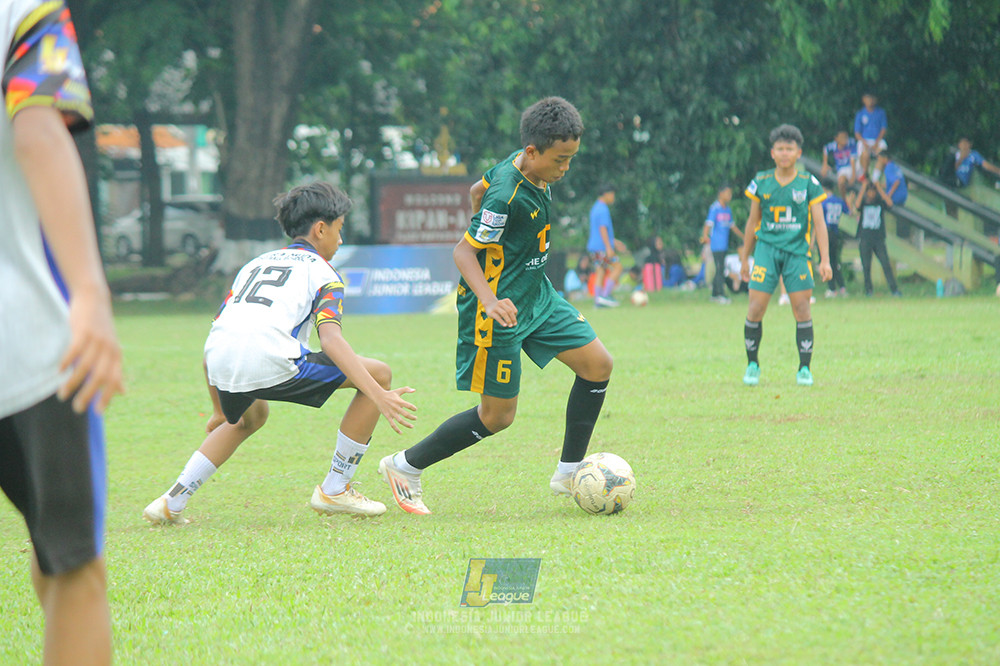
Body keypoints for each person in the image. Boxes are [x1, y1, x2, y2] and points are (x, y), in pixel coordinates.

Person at [377, 96, 612, 515]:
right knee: (497, 416)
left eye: (571, 159)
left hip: (536, 295)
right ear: (532, 152)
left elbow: (475, 190)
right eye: (560, 160)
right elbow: (463, 252)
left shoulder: (524, 168)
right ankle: (405, 465)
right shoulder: (507, 195)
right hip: (496, 312)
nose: (565, 168)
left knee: (598, 365)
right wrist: (489, 298)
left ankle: (568, 472)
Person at [143, 182, 417, 525]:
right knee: (379, 373)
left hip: (219, 361)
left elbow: (219, 335)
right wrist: (378, 394)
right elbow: (331, 340)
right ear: (321, 229)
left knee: (248, 418)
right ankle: (335, 489)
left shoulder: (254, 265)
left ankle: (172, 501)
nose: (340, 240)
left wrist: (218, 410)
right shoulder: (324, 272)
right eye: (339, 229)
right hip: (270, 361)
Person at [1, 3, 126, 664]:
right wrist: (89, 292)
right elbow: (38, 132)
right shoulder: (25, 9)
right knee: (72, 566)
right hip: (24, 338)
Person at [739, 124, 832, 387]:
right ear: (772, 153)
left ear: (798, 153)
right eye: (780, 149)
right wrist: (745, 258)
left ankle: (804, 369)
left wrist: (825, 260)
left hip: (797, 253)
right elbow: (752, 222)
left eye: (789, 149)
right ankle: (753, 365)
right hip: (766, 250)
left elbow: (820, 223)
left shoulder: (808, 183)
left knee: (802, 308)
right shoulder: (762, 181)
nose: (784, 153)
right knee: (755, 308)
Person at [850, 180, 901, 298]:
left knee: (885, 263)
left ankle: (894, 289)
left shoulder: (879, 202)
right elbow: (857, 206)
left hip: (878, 238)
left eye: (873, 191)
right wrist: (863, 188)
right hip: (865, 238)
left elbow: (890, 203)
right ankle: (868, 290)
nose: (871, 194)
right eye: (870, 191)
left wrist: (879, 189)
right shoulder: (864, 202)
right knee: (866, 266)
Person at [702, 184, 745, 304]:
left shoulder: (727, 209)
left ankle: (715, 294)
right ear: (721, 194)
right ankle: (720, 294)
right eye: (728, 193)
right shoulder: (715, 208)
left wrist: (744, 237)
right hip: (716, 244)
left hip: (724, 244)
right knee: (720, 268)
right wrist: (705, 236)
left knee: (720, 269)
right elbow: (708, 224)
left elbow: (732, 226)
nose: (730, 196)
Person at [587, 184, 624, 307]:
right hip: (602, 247)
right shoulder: (603, 209)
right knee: (618, 267)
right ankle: (605, 296)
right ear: (606, 194)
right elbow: (602, 229)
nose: (613, 197)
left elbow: (598, 231)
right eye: (612, 194)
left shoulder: (595, 207)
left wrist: (614, 242)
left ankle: (597, 301)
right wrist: (608, 247)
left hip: (594, 246)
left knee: (600, 271)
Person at [821, 185, 849, 297]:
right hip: (836, 233)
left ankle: (832, 288)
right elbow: (848, 212)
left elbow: (820, 221)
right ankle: (842, 287)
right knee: (835, 261)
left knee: (826, 260)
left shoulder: (824, 202)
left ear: (824, 189)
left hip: (826, 233)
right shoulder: (839, 201)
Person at [854, 92, 888, 180]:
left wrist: (877, 142)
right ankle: (865, 175)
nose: (870, 101)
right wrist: (864, 142)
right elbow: (857, 133)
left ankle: (875, 179)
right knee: (864, 154)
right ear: (864, 100)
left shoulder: (881, 113)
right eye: (868, 98)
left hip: (878, 140)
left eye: (872, 98)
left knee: (882, 154)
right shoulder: (860, 114)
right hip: (864, 140)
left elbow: (883, 129)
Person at [820, 130, 858, 200]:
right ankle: (844, 200)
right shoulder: (833, 146)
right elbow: (825, 149)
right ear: (836, 139)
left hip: (853, 166)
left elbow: (853, 160)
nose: (845, 139)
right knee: (841, 182)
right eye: (842, 137)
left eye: (846, 137)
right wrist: (825, 164)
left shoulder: (851, 143)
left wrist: (853, 176)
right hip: (842, 169)